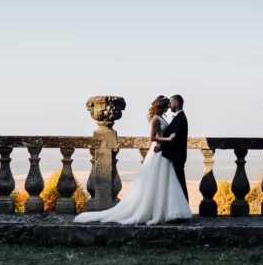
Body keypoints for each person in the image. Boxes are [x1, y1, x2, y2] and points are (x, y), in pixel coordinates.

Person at [73, 94, 192, 225]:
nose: (169, 107)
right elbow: (152, 138)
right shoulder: (155, 119)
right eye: (167, 105)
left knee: (163, 182)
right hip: (158, 152)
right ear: (162, 105)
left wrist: (164, 143)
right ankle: (156, 211)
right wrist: (167, 140)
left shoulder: (168, 118)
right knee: (156, 182)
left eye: (170, 104)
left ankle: (163, 211)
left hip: (163, 152)